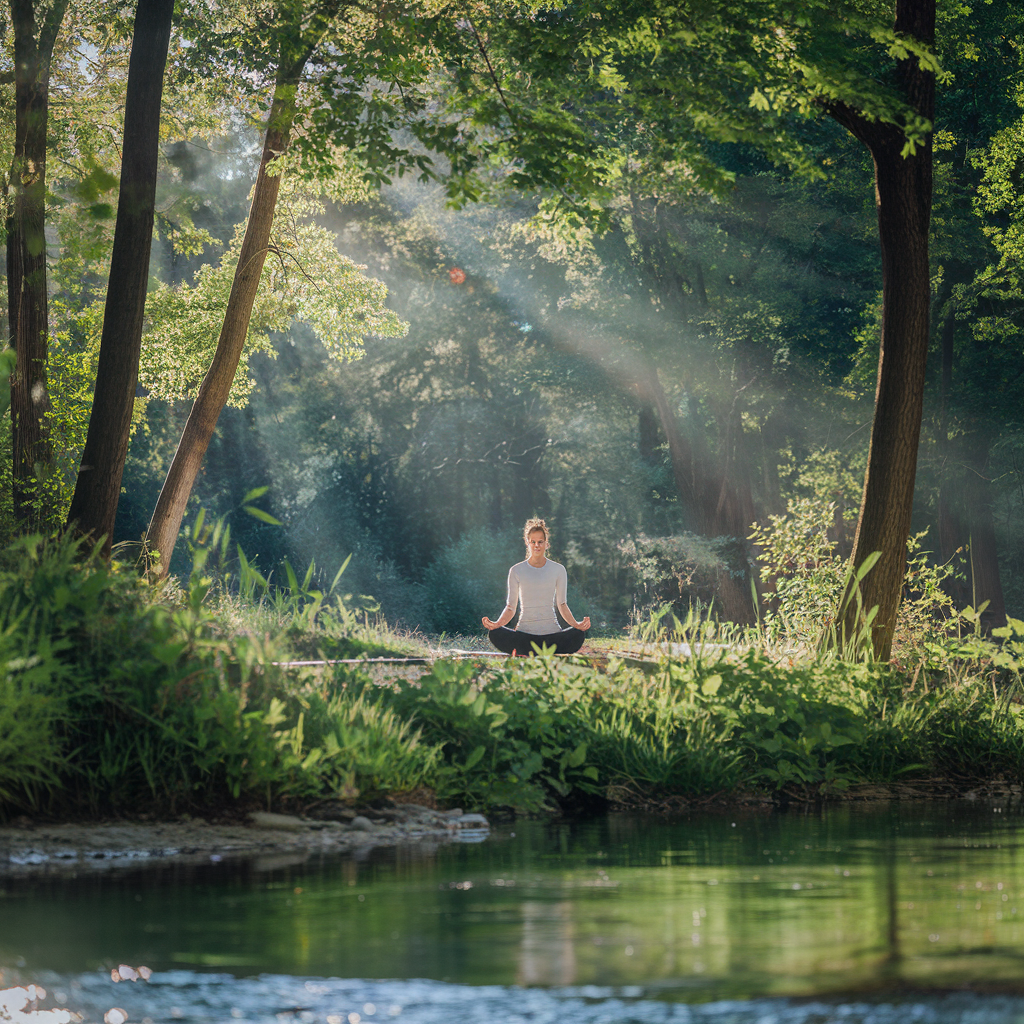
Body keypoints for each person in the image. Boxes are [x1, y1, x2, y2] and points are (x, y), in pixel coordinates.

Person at [482, 517, 591, 655]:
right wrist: (497, 624)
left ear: (546, 544)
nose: (536, 545)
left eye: (540, 542)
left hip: (553, 638)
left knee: (578, 634)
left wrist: (577, 625)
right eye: (533, 542)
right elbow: (510, 607)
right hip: (524, 637)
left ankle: (538, 651)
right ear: (527, 543)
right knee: (495, 633)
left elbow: (562, 604)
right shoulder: (516, 570)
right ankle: (532, 650)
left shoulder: (558, 570)